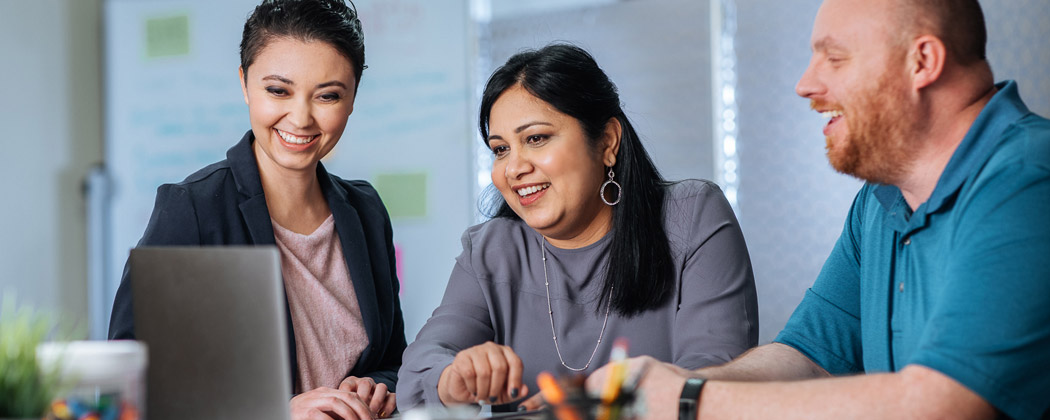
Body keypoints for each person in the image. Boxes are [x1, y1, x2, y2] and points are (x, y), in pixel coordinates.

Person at [588, 0, 1050, 419]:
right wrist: (665, 386)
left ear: (922, 61)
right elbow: (809, 356)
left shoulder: (1028, 179)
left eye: (834, 57)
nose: (806, 84)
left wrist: (690, 403)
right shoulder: (879, 200)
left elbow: (945, 403)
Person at [397, 44, 758, 411]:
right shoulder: (491, 250)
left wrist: (595, 406)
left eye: (535, 138)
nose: (513, 168)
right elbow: (419, 365)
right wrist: (454, 378)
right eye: (501, 149)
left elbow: (713, 380)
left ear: (607, 142)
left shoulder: (691, 216)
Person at [107, 1, 408, 419]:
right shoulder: (193, 208)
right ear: (245, 84)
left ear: (353, 98)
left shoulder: (366, 210)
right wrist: (275, 412)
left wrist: (378, 385)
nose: (301, 118)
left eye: (328, 96)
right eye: (278, 90)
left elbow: (394, 359)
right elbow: (132, 378)